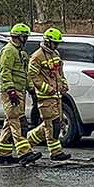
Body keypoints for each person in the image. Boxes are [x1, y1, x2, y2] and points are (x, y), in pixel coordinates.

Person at [0, 23, 41, 166]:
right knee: (18, 122)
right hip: (11, 93)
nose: (26, 39)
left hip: (19, 91)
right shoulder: (8, 51)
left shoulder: (21, 53)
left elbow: (24, 74)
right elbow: (5, 72)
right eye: (25, 36)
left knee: (10, 124)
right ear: (19, 36)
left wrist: (31, 89)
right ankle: (25, 152)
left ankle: (3, 155)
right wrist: (11, 90)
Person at [26, 27, 71, 162]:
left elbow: (59, 73)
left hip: (56, 96)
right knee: (52, 124)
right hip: (45, 97)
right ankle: (55, 152)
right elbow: (33, 76)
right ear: (47, 41)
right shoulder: (37, 57)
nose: (57, 46)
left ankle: (27, 142)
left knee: (50, 124)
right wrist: (47, 89)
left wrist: (63, 84)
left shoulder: (55, 54)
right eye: (55, 43)